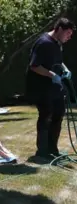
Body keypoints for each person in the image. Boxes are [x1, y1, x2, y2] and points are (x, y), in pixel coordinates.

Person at [26, 17, 75, 159]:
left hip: (55, 88)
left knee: (58, 115)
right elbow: (34, 66)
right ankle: (42, 151)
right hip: (42, 88)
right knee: (46, 116)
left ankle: (53, 150)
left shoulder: (57, 43)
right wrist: (51, 74)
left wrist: (65, 69)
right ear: (59, 29)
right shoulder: (43, 43)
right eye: (68, 33)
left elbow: (59, 61)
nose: (69, 37)